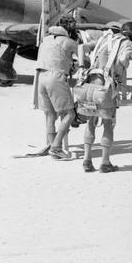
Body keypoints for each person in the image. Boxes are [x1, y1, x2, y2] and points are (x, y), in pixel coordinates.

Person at [81, 21, 132, 173]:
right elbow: (122, 61)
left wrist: (82, 66)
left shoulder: (103, 39)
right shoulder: (127, 43)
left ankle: (86, 160)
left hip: (90, 84)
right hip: (106, 88)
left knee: (91, 121)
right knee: (108, 124)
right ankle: (105, 162)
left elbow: (83, 47)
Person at [34, 14, 79, 160]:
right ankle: (56, 147)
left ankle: (52, 145)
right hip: (56, 77)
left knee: (50, 115)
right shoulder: (69, 42)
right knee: (69, 114)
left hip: (40, 77)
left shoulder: (45, 40)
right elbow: (84, 59)